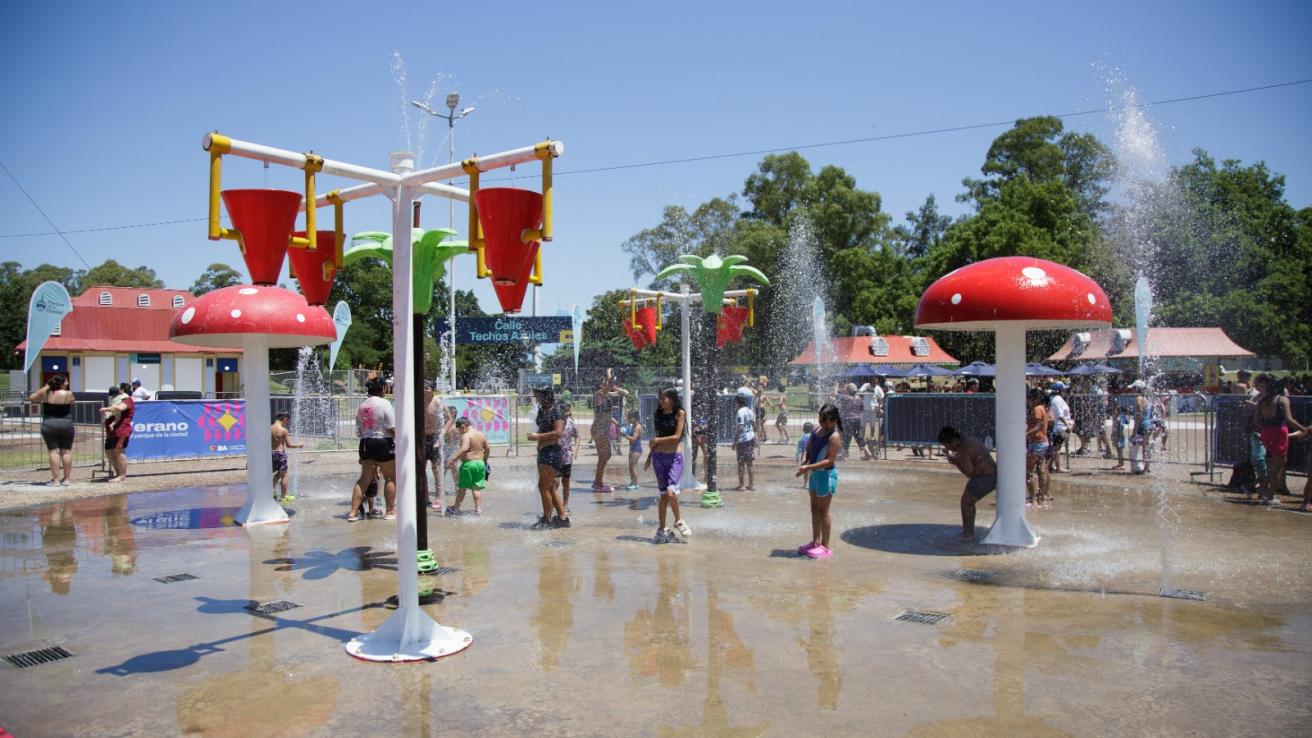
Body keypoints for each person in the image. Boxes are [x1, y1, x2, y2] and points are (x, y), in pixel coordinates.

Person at [794, 403, 842, 559]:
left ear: (834, 420)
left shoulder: (834, 436)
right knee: (814, 509)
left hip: (826, 476)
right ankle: (815, 542)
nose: (822, 423)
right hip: (815, 476)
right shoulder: (815, 430)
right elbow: (809, 449)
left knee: (823, 511)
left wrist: (807, 468)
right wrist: (804, 462)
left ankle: (826, 547)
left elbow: (829, 461)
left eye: (825, 420)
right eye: (821, 419)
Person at [1252, 374, 1308, 506]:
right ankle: (1270, 496)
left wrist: (1265, 430)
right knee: (1279, 467)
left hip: (1266, 433)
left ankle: (1259, 489)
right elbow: (1289, 420)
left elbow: (1256, 421)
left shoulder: (1262, 401)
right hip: (1279, 433)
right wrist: (1304, 429)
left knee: (1271, 466)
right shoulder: (1282, 400)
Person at [645, 387, 692, 543]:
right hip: (658, 458)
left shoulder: (680, 414)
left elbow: (677, 437)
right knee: (664, 496)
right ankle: (661, 529)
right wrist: (649, 456)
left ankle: (678, 520)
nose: (661, 401)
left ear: (672, 399)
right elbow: (657, 436)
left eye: (664, 398)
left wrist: (657, 441)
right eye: (660, 398)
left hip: (674, 458)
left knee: (671, 493)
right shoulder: (658, 414)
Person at [348, 377, 395, 522]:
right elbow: (392, 427)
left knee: (364, 479)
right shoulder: (385, 403)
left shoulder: (362, 405)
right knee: (390, 477)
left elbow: (359, 430)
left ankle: (353, 513)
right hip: (382, 442)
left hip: (365, 443)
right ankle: (390, 511)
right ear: (382, 389)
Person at [939, 426, 998, 541]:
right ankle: (968, 532)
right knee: (967, 501)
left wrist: (954, 460)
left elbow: (968, 471)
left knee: (966, 502)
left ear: (953, 441)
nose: (947, 448)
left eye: (946, 445)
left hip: (986, 477)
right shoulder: (969, 440)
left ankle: (968, 534)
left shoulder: (962, 449)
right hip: (991, 474)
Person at [527, 385, 569, 529]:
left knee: (543, 486)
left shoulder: (557, 411)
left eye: (539, 395)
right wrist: (538, 439)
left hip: (552, 452)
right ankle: (563, 518)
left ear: (547, 395)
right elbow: (543, 427)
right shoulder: (542, 409)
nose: (537, 398)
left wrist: (538, 436)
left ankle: (547, 519)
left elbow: (558, 433)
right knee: (550, 487)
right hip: (543, 451)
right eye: (536, 396)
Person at [31, 375, 75, 485]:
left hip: (49, 423)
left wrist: (46, 387)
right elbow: (72, 402)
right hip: (66, 423)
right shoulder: (68, 394)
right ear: (61, 383)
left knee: (53, 451)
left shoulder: (46, 393)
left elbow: (32, 398)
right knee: (66, 451)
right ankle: (67, 479)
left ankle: (55, 479)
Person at [591, 370, 628, 493]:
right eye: (605, 383)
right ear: (601, 385)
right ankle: (598, 483)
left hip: (602, 428)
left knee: (604, 456)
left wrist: (617, 424)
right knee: (605, 455)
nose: (607, 384)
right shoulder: (599, 394)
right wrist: (608, 374)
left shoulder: (606, 395)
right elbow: (610, 387)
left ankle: (598, 482)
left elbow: (606, 414)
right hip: (599, 429)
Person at [445, 417, 490, 515]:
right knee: (476, 488)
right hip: (480, 463)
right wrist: (485, 461)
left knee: (462, 488)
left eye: (459, 430)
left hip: (468, 465)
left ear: (463, 427)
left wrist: (452, 460)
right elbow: (487, 448)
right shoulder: (481, 434)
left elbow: (463, 449)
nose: (459, 433)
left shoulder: (466, 436)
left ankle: (455, 508)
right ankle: (478, 509)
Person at [99, 382, 136, 483]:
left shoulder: (127, 400)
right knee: (109, 451)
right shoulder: (116, 399)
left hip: (121, 430)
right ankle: (118, 473)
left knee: (119, 451)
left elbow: (119, 408)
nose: (118, 389)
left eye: (120, 388)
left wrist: (106, 409)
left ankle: (122, 475)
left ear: (123, 390)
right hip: (112, 431)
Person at [270, 412, 304, 501]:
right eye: (287, 420)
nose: (287, 422)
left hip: (271, 453)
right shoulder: (283, 430)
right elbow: (289, 445)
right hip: (280, 454)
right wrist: (299, 445)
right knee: (284, 475)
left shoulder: (269, 428)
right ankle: (284, 497)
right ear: (284, 418)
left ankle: (271, 490)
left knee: (277, 474)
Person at [1025, 388, 1051, 504]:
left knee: (1028, 472)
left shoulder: (1037, 409)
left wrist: (1024, 434)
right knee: (1041, 470)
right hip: (1043, 442)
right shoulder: (1042, 408)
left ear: (1034, 399)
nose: (1027, 401)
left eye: (1028, 399)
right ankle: (1041, 498)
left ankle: (1032, 500)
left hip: (1037, 443)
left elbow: (1038, 427)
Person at [834, 384, 871, 461]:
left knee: (845, 437)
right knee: (858, 436)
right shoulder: (859, 399)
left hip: (847, 419)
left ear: (848, 391)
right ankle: (867, 453)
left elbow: (836, 395)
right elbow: (862, 409)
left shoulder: (845, 397)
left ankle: (844, 455)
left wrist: (836, 386)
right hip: (857, 419)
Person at [423, 382, 443, 503]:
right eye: (423, 388)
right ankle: (425, 497)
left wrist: (441, 436)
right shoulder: (419, 401)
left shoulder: (437, 402)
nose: (424, 390)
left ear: (433, 390)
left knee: (436, 469)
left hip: (434, 438)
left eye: (427, 388)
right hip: (422, 438)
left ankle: (438, 497)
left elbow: (449, 418)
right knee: (421, 469)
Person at [733, 390, 756, 491]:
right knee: (750, 463)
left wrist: (735, 441)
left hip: (743, 440)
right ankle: (751, 485)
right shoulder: (750, 411)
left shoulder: (740, 412)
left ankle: (741, 485)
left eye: (736, 403)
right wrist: (755, 437)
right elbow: (754, 425)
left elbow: (740, 427)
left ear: (738, 402)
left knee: (741, 463)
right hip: (751, 438)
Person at [1047, 382, 1072, 473]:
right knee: (1056, 448)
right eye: (1064, 390)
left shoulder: (1056, 399)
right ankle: (1058, 467)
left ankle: (1050, 466)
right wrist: (1067, 424)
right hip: (1060, 428)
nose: (1065, 392)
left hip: (1061, 427)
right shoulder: (1057, 400)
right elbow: (1060, 415)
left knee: (1057, 447)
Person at [559, 402, 579, 511]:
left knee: (565, 482)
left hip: (567, 457)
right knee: (555, 482)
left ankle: (565, 504)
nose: (566, 415)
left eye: (568, 413)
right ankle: (554, 504)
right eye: (564, 413)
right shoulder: (555, 423)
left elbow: (577, 436)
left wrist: (575, 449)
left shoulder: (571, 423)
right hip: (556, 456)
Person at [622, 409, 643, 491]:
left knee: (633, 466)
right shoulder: (633, 426)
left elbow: (634, 439)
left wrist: (625, 435)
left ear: (635, 418)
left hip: (637, 449)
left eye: (630, 418)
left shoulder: (638, 427)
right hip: (632, 449)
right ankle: (632, 482)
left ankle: (636, 484)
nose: (629, 419)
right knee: (630, 466)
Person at [795, 421, 815, 489]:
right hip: (813, 455)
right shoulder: (814, 437)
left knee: (805, 471)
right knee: (813, 470)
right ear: (813, 429)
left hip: (805, 456)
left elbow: (799, 450)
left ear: (803, 429)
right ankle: (813, 483)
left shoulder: (802, 438)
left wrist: (797, 458)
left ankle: (805, 483)